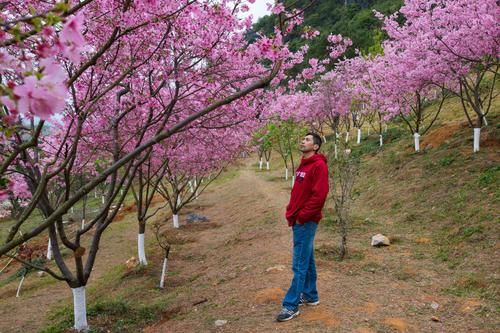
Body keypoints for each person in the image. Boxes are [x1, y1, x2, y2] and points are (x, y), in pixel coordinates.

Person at [276, 132, 329, 322]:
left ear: (315, 146)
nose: (303, 141)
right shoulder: (304, 164)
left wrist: (302, 217)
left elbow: (319, 196)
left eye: (307, 140)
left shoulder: (319, 165)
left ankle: (291, 305)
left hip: (305, 221)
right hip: (299, 219)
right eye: (303, 138)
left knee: (299, 263)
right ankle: (310, 295)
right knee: (307, 258)